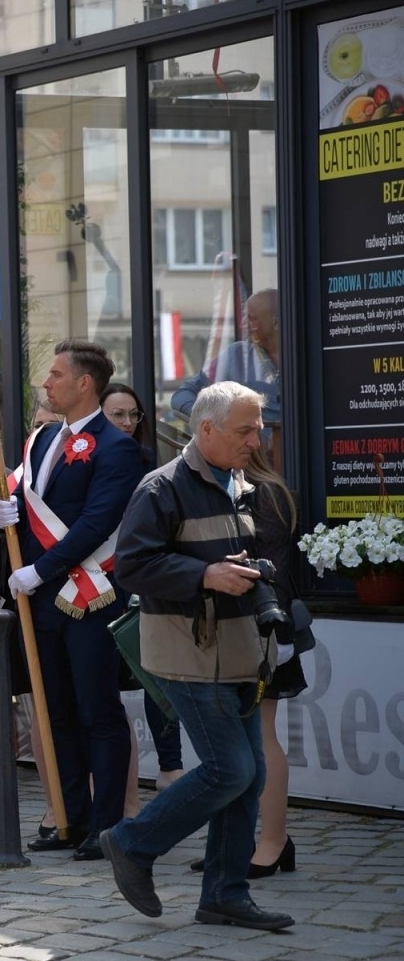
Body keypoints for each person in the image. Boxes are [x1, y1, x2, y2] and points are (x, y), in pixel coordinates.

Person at [102, 382, 293, 931]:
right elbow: (132, 568)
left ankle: (225, 896)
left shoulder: (240, 482)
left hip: (240, 653)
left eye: (257, 428)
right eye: (245, 430)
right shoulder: (159, 487)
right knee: (229, 768)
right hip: (187, 653)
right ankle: (132, 842)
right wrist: (206, 574)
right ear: (205, 430)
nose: (256, 439)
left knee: (249, 776)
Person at [0, 341, 144, 861]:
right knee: (56, 713)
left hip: (91, 598)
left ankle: (107, 826)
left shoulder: (117, 447)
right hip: (42, 600)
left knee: (98, 711)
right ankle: (71, 817)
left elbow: (98, 522)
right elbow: (29, 504)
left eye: (56, 375)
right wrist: (4, 513)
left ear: (84, 384)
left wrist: (39, 569)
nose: (47, 383)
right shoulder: (43, 438)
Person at [101, 382, 184, 801]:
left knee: (156, 679)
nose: (128, 423)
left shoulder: (151, 466)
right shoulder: (89, 462)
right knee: (108, 691)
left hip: (142, 585)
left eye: (134, 415)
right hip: (98, 586)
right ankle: (123, 789)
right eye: (118, 415)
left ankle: (170, 766)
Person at [241, 446, 304, 881]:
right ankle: (237, 841)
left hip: (262, 629)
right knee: (230, 745)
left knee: (261, 736)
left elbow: (272, 572)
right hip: (222, 631)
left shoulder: (265, 492)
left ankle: (274, 840)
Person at [171, 289, 281, 434]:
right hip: (248, 455)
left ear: (276, 322)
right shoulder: (236, 356)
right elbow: (182, 394)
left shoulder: (311, 357)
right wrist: (213, 421)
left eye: (250, 318)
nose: (243, 323)